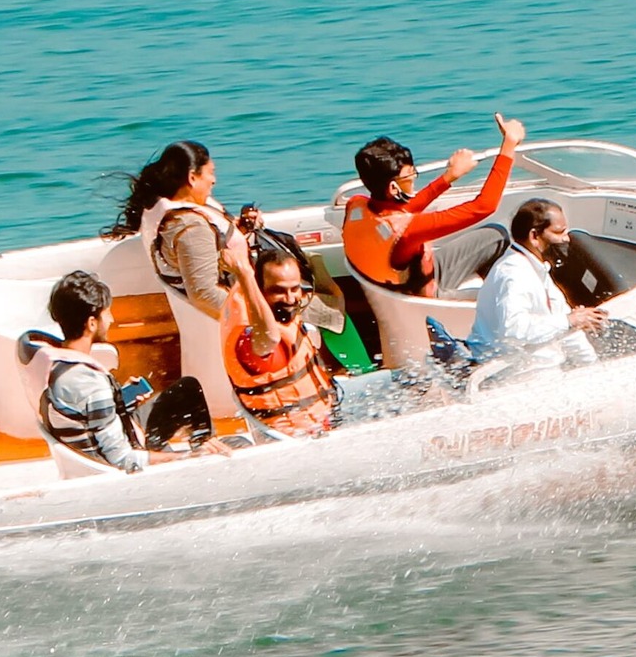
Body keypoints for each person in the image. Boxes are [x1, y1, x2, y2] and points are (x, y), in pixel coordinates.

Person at [31, 271, 231, 472]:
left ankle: (207, 446)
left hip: (122, 430)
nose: (111, 319)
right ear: (92, 323)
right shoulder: (89, 383)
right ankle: (208, 462)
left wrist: (118, 400)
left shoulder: (57, 363)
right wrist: (189, 457)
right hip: (128, 460)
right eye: (107, 313)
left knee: (187, 390)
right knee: (234, 446)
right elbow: (123, 459)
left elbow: (86, 413)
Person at [342, 113, 526, 297]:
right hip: (429, 303)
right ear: (393, 187)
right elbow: (484, 206)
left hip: (399, 291)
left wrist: (450, 176)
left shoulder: (356, 206)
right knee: (504, 295)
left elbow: (401, 210)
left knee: (496, 235)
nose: (414, 178)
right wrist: (509, 144)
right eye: (409, 175)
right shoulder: (408, 232)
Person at [219, 248, 392, 436]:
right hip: (306, 433)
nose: (290, 298)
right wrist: (244, 275)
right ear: (259, 291)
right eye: (278, 291)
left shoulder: (280, 316)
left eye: (294, 288)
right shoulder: (251, 342)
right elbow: (269, 338)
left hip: (328, 408)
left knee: (408, 380)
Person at [107, 141, 250, 321]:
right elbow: (204, 294)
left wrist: (239, 230)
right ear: (192, 177)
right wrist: (254, 317)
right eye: (211, 172)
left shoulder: (165, 211)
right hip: (232, 319)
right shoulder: (191, 229)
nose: (214, 180)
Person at [469, 198, 606, 372]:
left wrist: (593, 367)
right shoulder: (514, 274)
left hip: (536, 366)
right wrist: (569, 321)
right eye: (559, 232)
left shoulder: (537, 269)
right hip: (514, 375)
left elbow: (565, 323)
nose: (566, 239)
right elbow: (512, 329)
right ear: (534, 236)